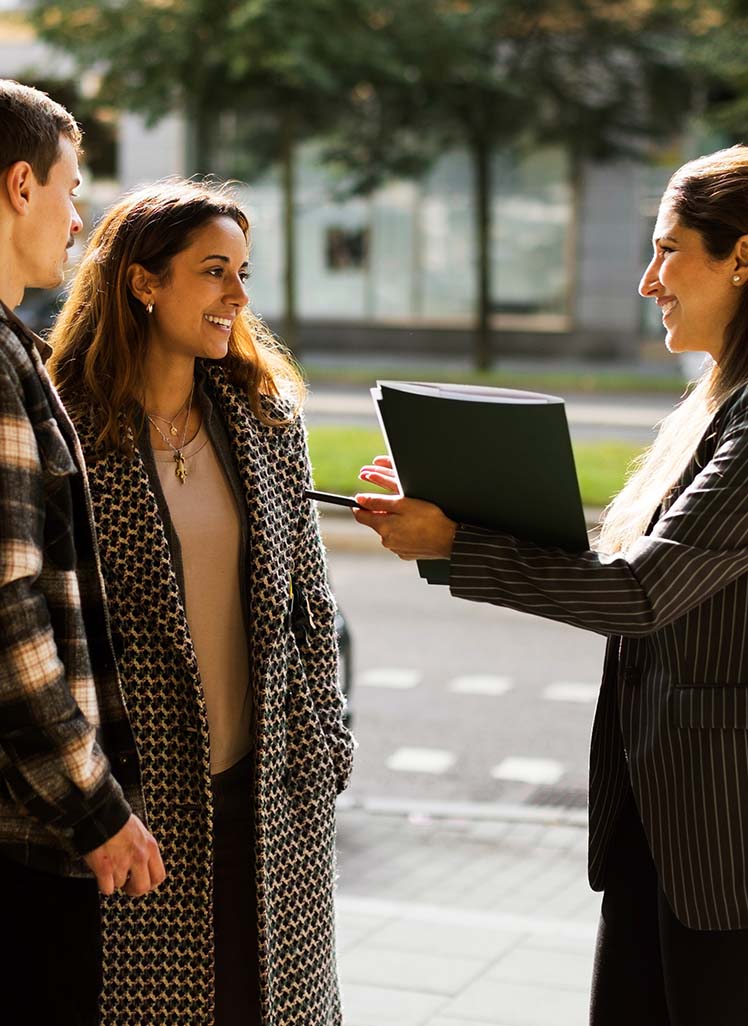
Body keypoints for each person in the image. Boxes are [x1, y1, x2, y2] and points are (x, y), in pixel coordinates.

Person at [353, 145, 748, 1026]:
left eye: (669, 248)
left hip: (723, 839)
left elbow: (642, 593)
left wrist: (459, 544)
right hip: (666, 817)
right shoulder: (720, 403)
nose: (650, 280)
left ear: (742, 257)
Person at [48, 179, 355, 1026]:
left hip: (271, 786)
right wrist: (92, 796)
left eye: (244, 273)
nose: (239, 297)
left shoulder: (264, 420)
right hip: (140, 800)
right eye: (214, 272)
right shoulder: (68, 429)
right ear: (144, 283)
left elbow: (309, 602)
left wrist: (324, 740)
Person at [0, 80, 164, 1026]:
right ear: (22, 185)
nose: (77, 222)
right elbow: (9, 614)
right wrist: (95, 809)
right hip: (21, 834)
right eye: (71, 191)